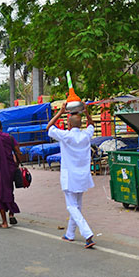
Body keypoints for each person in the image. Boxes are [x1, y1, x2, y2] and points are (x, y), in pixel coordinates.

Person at [47, 102, 96, 248]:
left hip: (70, 176)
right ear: (81, 124)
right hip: (82, 176)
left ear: (68, 124)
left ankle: (87, 234)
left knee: (71, 206)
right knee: (77, 206)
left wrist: (60, 112)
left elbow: (49, 127)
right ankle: (70, 233)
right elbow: (91, 124)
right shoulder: (86, 135)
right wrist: (86, 113)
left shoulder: (65, 135)